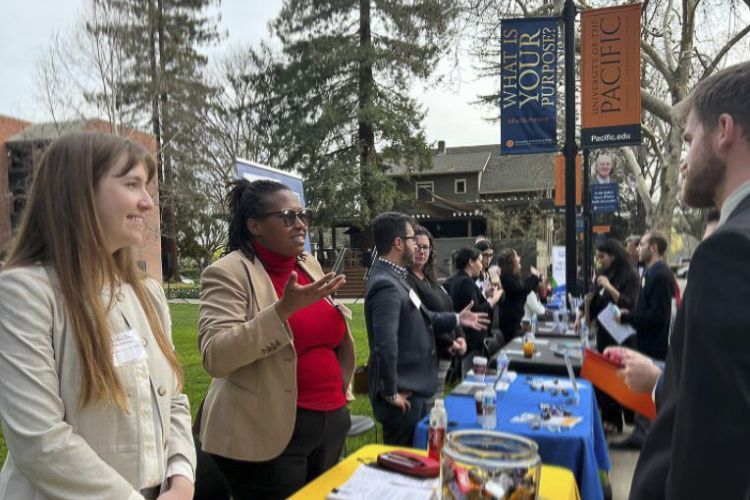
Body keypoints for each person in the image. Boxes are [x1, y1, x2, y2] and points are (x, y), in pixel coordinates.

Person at [0, 132, 195, 499]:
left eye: (146, 186)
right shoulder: (26, 292)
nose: (147, 202)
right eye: (132, 184)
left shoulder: (147, 293)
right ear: (79, 194)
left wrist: (182, 477)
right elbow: (38, 439)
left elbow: (173, 399)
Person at [631, 62, 750, 497]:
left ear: (723, 130)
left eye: (688, 140)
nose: (683, 160)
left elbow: (713, 444)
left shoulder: (730, 251)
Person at [198, 179, 354, 499]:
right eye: (287, 216)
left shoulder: (307, 264)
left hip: (330, 421)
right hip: (269, 434)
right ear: (254, 225)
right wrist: (280, 312)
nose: (300, 224)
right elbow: (215, 356)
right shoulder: (228, 272)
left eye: (302, 215)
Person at [365, 212, 489, 445]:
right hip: (404, 393)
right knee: (404, 461)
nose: (417, 246)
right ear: (398, 243)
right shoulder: (386, 283)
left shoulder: (396, 276)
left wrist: (456, 319)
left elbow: (424, 316)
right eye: (413, 240)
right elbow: (385, 344)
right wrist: (390, 393)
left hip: (414, 388)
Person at [575, 239, 640, 434]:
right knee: (605, 374)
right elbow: (594, 298)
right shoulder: (602, 274)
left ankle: (623, 417)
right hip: (604, 330)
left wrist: (610, 287)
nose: (599, 260)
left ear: (613, 256)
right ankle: (608, 418)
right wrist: (580, 314)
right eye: (598, 257)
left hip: (622, 333)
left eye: (602, 257)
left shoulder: (630, 276)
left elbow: (630, 302)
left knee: (618, 375)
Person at [406, 226, 467, 403]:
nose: (421, 251)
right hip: (431, 355)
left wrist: (461, 336)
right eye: (417, 246)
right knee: (431, 409)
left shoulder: (429, 278)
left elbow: (449, 310)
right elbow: (422, 319)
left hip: (447, 353)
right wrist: (451, 342)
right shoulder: (407, 281)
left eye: (426, 247)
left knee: (437, 405)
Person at [448, 247, 503, 375]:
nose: (481, 265)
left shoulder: (462, 280)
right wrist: (493, 300)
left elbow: (474, 303)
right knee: (472, 377)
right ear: (471, 262)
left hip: (471, 337)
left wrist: (485, 295)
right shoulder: (465, 282)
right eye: (479, 261)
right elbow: (476, 312)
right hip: (472, 338)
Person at [498, 249, 541, 343]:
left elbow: (524, 289)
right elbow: (522, 290)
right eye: (516, 256)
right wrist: (534, 277)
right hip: (509, 326)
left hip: (515, 323)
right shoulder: (506, 279)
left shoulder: (513, 278)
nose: (519, 258)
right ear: (511, 262)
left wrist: (535, 279)